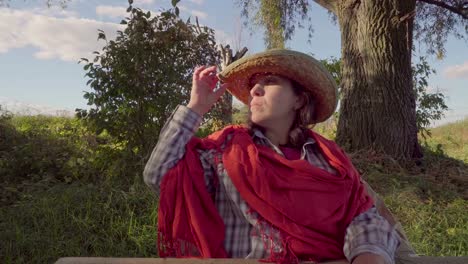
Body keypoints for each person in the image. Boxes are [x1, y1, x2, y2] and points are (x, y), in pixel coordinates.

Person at [144, 49, 400, 264]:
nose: (255, 89)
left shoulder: (330, 160)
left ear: (299, 100)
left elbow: (362, 217)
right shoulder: (225, 151)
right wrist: (196, 107)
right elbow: (159, 176)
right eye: (255, 83)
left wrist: (369, 254)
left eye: (270, 81)